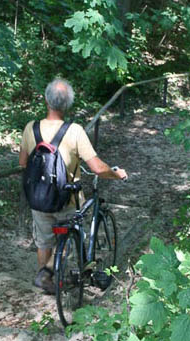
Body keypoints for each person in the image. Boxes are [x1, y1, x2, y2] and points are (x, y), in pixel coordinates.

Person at [19, 78, 127, 294]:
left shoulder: (31, 128)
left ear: (46, 100)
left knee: (43, 242)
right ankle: (51, 274)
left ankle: (45, 280)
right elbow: (96, 167)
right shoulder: (75, 131)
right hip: (66, 199)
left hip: (39, 198)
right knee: (69, 237)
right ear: (68, 104)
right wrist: (116, 174)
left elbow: (23, 163)